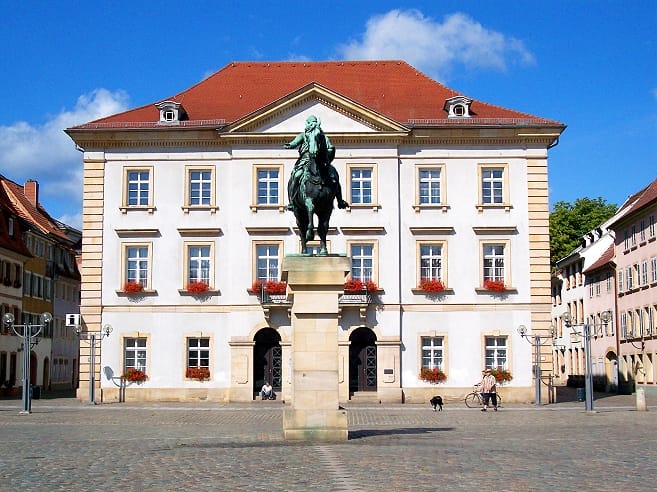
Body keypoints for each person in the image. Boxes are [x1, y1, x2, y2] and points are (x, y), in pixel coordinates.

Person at [285, 115, 349, 212]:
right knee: (296, 175)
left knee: (334, 175)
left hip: (322, 161)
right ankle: (292, 201)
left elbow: (330, 147)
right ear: (307, 124)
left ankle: (340, 200)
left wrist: (329, 151)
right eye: (310, 122)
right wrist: (290, 145)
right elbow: (295, 142)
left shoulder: (322, 137)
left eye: (314, 122)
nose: (312, 124)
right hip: (305, 161)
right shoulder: (303, 136)